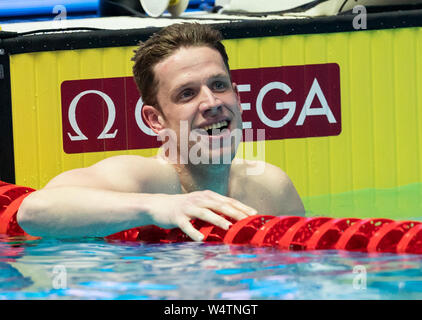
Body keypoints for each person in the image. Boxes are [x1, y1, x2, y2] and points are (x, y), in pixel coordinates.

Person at [17, 23, 304, 241]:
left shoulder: (270, 188)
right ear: (155, 120)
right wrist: (159, 207)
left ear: (238, 98)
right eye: (187, 94)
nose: (212, 103)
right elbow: (34, 211)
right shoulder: (141, 179)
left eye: (218, 85)